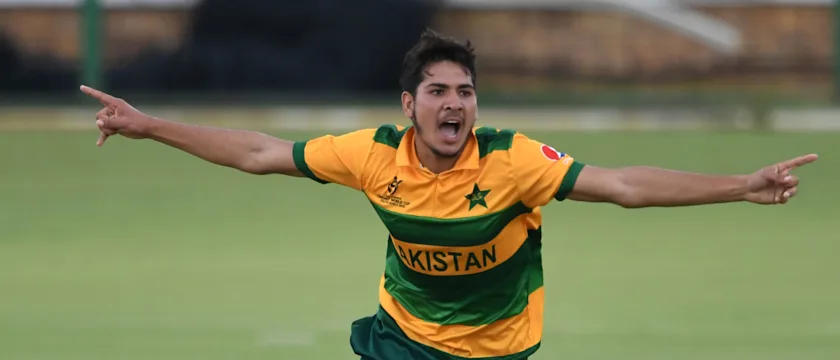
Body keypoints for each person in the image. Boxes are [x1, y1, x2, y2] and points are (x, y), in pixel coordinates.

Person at [80, 29, 816, 360]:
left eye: (465, 91)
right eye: (438, 91)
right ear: (410, 105)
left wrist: (739, 186)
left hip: (499, 348)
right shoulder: (372, 155)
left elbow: (624, 187)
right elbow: (259, 153)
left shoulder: (513, 161)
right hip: (402, 337)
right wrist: (150, 127)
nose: (454, 103)